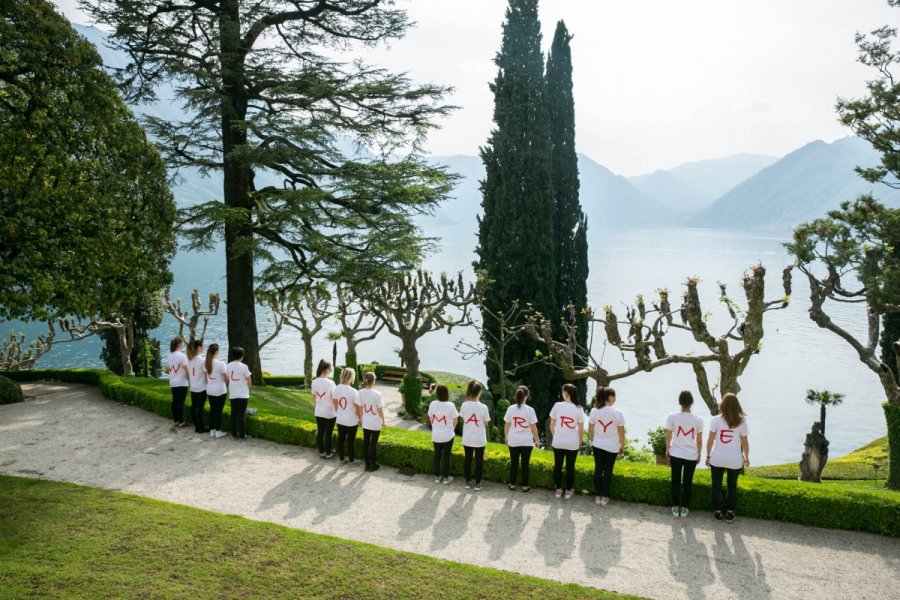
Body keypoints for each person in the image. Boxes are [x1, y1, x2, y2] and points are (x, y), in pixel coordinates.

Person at [706, 392, 750, 523]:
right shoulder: (742, 422)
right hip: (734, 460)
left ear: (722, 405)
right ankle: (730, 513)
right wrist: (746, 458)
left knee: (716, 485)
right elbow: (745, 443)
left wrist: (708, 456)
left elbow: (710, 441)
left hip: (717, 458)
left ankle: (718, 512)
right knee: (732, 486)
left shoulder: (715, 420)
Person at [666, 390, 704, 517]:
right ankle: (685, 508)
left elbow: (668, 436)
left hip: (676, 453)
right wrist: (699, 454)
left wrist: (667, 450)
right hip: (691, 455)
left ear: (679, 402)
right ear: (691, 402)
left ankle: (675, 507)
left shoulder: (672, 417)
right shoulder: (698, 420)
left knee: (675, 481)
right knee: (688, 482)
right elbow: (699, 440)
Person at [588, 386, 626, 506]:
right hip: (612, 446)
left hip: (597, 445)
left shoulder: (594, 411)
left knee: (598, 469)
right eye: (614, 396)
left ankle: (597, 495)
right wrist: (622, 445)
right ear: (609, 397)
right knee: (608, 471)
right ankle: (605, 497)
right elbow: (621, 432)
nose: (615, 398)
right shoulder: (617, 413)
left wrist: (592, 440)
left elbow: (591, 429)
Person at [549, 383, 585, 499]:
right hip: (572, 443)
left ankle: (558, 490)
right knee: (570, 467)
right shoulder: (579, 409)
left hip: (558, 441)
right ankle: (568, 491)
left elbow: (552, 425)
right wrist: (580, 442)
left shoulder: (557, 405)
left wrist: (556, 435)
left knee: (557, 466)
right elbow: (580, 429)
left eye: (563, 391)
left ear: (566, 394)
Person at [504, 385, 541, 492]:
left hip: (513, 440)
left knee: (514, 463)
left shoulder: (510, 409)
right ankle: (525, 486)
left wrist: (506, 437)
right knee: (525, 464)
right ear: (527, 396)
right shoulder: (530, 410)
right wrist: (537, 440)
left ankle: (512, 485)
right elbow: (533, 427)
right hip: (526, 441)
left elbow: (507, 425)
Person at [460, 381, 491, 491]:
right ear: (479, 392)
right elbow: (486, 423)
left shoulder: (464, 405)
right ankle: (478, 483)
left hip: (467, 437)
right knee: (479, 461)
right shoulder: (483, 407)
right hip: (479, 438)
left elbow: (464, 419)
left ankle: (468, 482)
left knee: (467, 459)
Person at [427, 383, 459, 484]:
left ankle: (436, 477)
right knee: (446, 456)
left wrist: (436, 426)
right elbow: (456, 420)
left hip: (436, 435)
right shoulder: (451, 405)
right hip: (448, 435)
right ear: (446, 393)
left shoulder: (433, 404)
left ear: (437, 393)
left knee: (437, 456)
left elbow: (430, 417)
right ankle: (446, 478)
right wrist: (451, 429)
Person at [359, 372, 386, 472]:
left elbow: (360, 407)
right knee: (373, 444)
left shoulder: (361, 392)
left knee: (366, 442)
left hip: (366, 421)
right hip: (374, 422)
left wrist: (360, 419)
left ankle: (366, 464)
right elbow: (380, 409)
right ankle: (373, 465)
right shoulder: (377, 394)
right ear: (374, 381)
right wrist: (383, 421)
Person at [333, 367, 361, 464]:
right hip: (351, 420)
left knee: (341, 439)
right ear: (352, 378)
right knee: (350, 441)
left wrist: (339, 413)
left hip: (340, 419)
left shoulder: (336, 388)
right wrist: (360, 419)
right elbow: (357, 408)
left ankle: (341, 459)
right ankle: (351, 460)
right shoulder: (353, 391)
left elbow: (335, 404)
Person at [311, 359, 337, 459]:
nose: (331, 371)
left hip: (319, 410)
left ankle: (322, 452)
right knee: (328, 433)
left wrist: (315, 407)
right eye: (330, 369)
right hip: (330, 412)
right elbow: (334, 398)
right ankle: (329, 453)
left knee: (321, 431)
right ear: (326, 369)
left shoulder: (314, 382)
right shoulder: (331, 383)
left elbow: (314, 397)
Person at [226, 346, 252, 440]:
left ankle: (234, 433)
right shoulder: (244, 366)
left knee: (234, 413)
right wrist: (248, 387)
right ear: (242, 356)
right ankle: (242, 434)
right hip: (243, 393)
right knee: (241, 414)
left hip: (233, 393)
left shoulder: (228, 366)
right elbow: (249, 380)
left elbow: (226, 379)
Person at [204, 343, 228, 439]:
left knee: (212, 410)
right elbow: (226, 378)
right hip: (220, 390)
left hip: (210, 389)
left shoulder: (206, 363)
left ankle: (212, 430)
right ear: (217, 352)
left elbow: (205, 377)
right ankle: (218, 431)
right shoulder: (220, 363)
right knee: (218, 411)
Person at [186, 339, 209, 434]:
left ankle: (196, 426)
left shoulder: (190, 359)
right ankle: (201, 428)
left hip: (193, 386)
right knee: (199, 408)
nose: (203, 348)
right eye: (202, 346)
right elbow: (205, 375)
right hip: (201, 387)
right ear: (199, 347)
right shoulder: (202, 360)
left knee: (194, 406)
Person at [166, 337, 189, 428]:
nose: (183, 344)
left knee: (175, 401)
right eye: (182, 343)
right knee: (180, 402)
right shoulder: (182, 356)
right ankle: (181, 421)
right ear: (179, 344)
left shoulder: (169, 354)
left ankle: (176, 420)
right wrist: (190, 381)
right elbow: (186, 371)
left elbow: (169, 368)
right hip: (181, 382)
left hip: (173, 381)